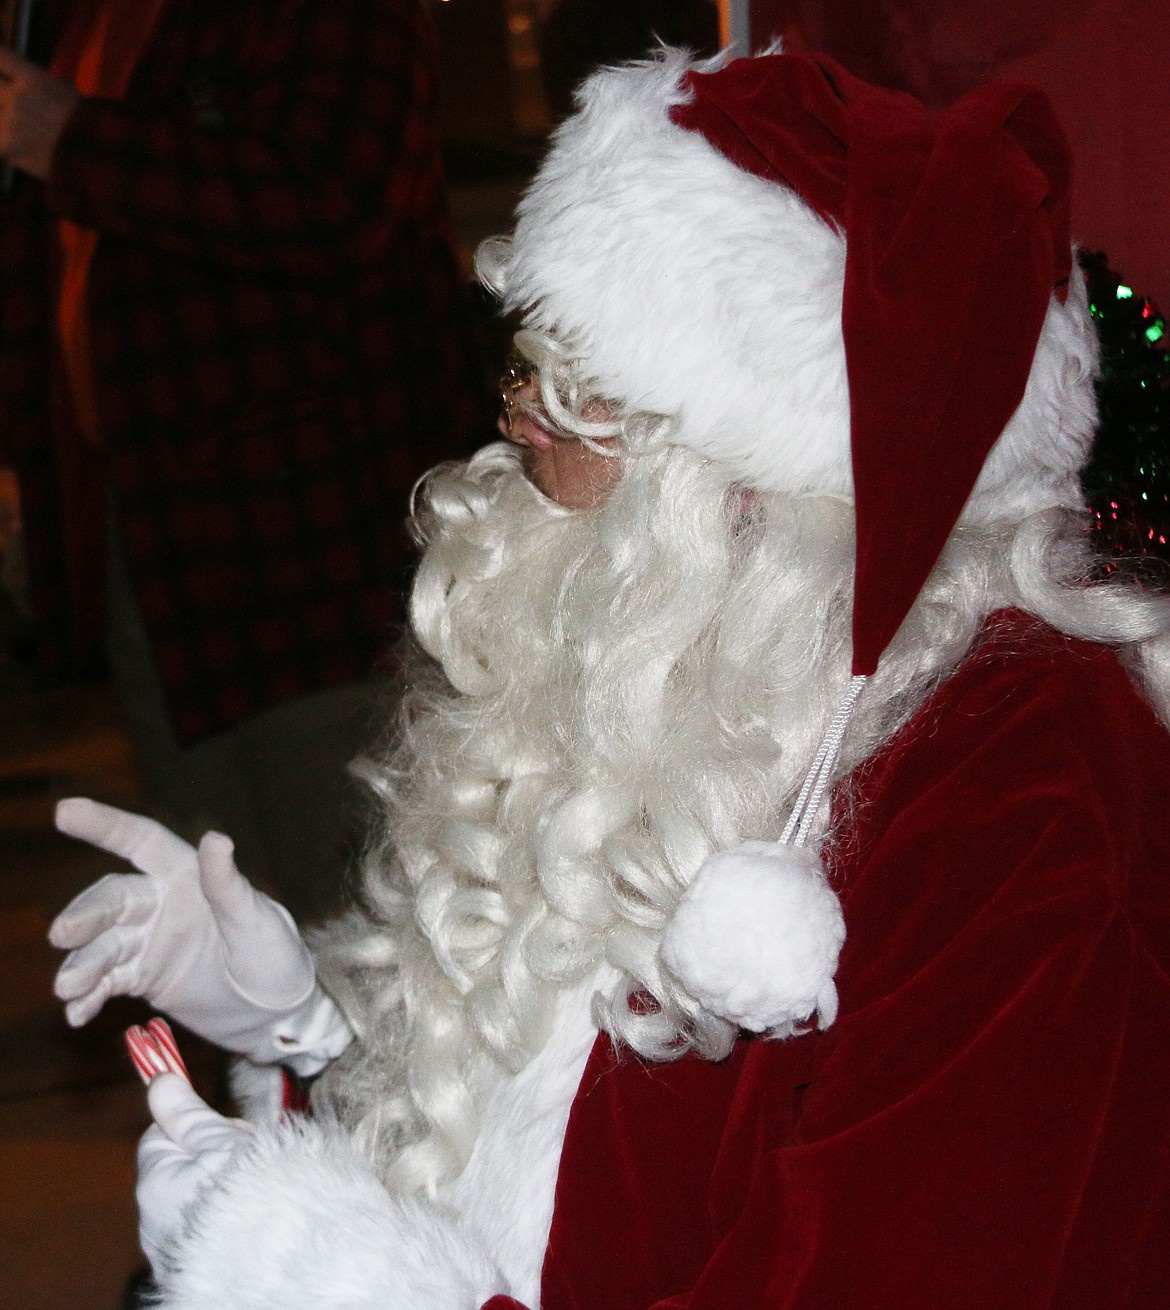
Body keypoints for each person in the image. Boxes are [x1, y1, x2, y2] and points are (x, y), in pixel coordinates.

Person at [47, 46, 1170, 1308]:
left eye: (575, 386)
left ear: (758, 462)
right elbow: (565, 1152)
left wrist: (314, 1273)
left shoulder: (1022, 769)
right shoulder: (661, 651)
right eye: (523, 363)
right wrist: (305, 1037)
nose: (516, 417)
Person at [0, 0, 489, 918]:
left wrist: (75, 141)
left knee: (360, 916)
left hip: (318, 556)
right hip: (157, 547)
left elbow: (334, 201)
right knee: (222, 923)